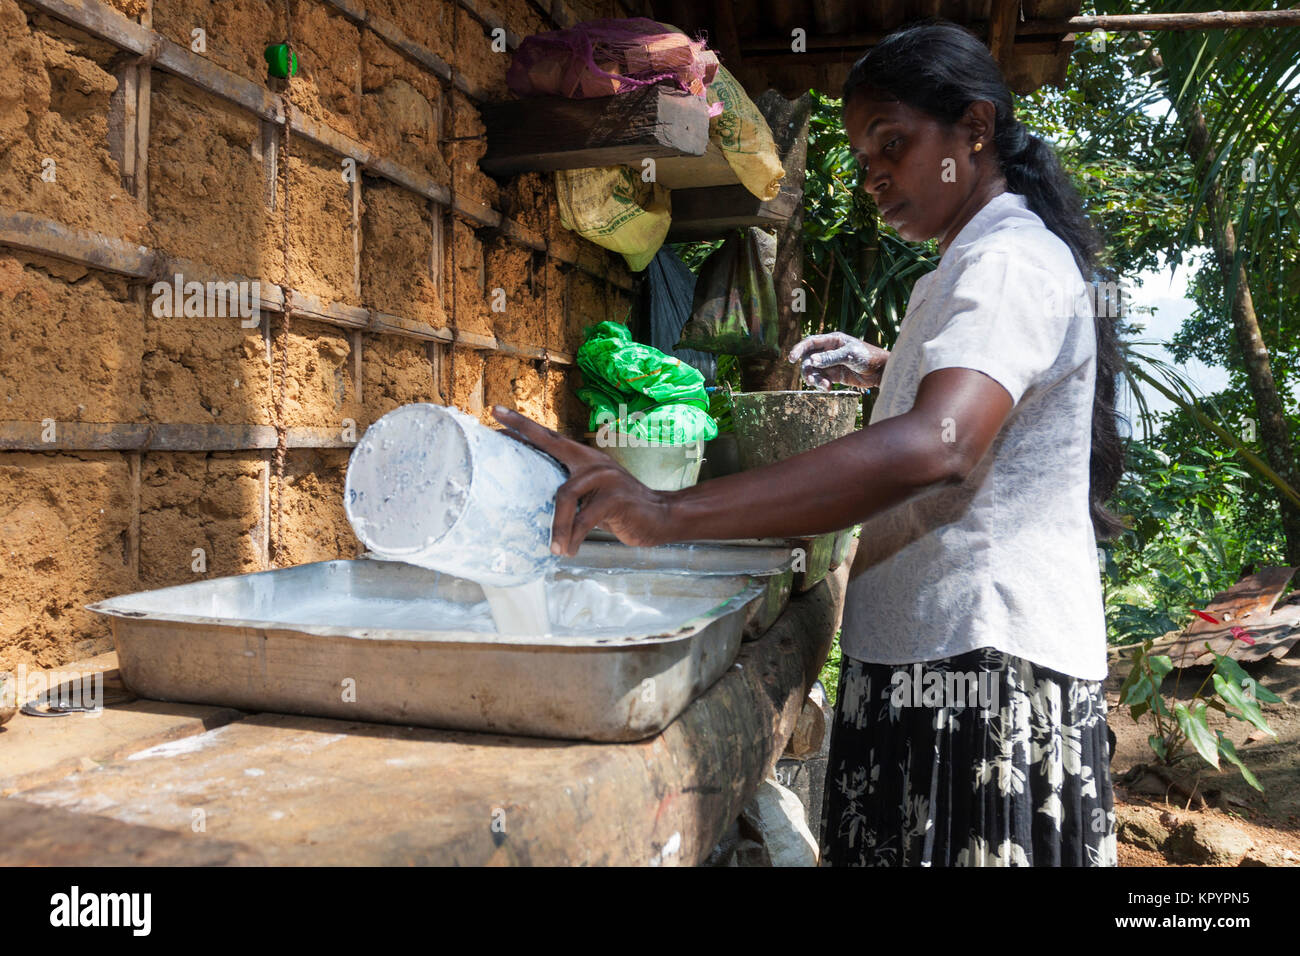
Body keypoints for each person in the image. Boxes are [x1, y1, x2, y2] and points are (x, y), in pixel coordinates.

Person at [491, 18, 1125, 867]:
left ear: (975, 129)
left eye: (893, 146)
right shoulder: (975, 259)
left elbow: (939, 445)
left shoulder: (1007, 260)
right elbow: (983, 388)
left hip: (977, 674)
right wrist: (885, 367)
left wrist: (667, 511)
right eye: (865, 162)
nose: (876, 179)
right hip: (942, 654)